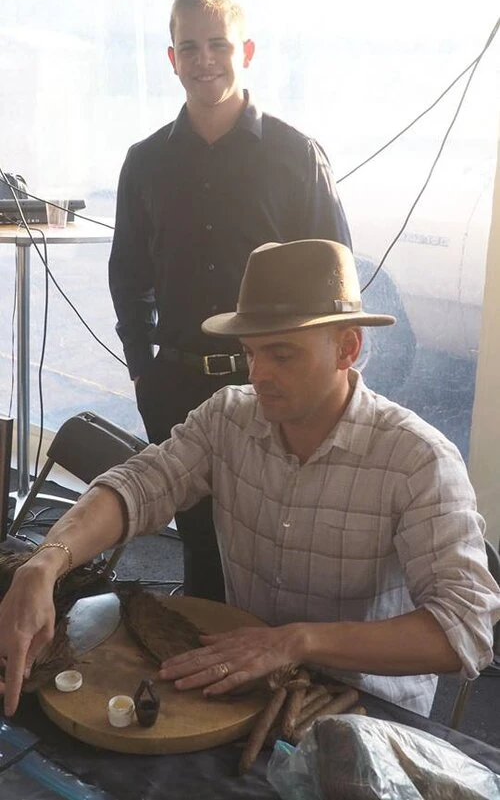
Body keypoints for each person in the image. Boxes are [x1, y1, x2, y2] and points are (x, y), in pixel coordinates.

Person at [1, 239, 499, 719]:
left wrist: (296, 640)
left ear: (347, 347)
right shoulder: (230, 418)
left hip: (364, 705)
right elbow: (139, 485)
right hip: (242, 683)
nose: (258, 374)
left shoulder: (417, 460)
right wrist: (46, 563)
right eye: (250, 353)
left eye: (282, 354)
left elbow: (464, 628)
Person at [108, 0, 352, 602]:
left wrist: (328, 380)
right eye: (188, 47)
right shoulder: (144, 163)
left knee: (278, 542)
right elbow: (128, 275)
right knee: (198, 547)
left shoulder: (297, 156)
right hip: (177, 387)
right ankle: (202, 676)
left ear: (246, 50)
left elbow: (337, 281)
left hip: (272, 382)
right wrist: (143, 371)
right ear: (171, 58)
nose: (204, 60)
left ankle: (274, 671)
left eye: (217, 44)